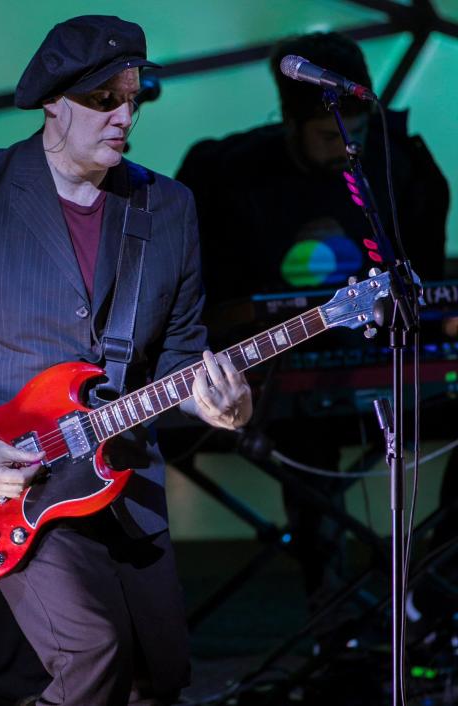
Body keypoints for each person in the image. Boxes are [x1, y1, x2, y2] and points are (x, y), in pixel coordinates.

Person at [0, 14, 253, 706]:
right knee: (91, 651)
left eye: (133, 100)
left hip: (121, 473)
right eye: (104, 100)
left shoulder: (167, 206)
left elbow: (180, 355)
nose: (124, 118)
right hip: (7, 478)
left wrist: (221, 406)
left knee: (156, 677)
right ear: (54, 101)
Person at [175, 32, 451, 617]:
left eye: (359, 130)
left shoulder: (403, 166)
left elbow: (426, 285)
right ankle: (334, 620)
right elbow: (206, 298)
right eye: (329, 135)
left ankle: (436, 596)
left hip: (393, 364)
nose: (348, 146)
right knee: (308, 450)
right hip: (285, 375)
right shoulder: (230, 173)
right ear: (291, 125)